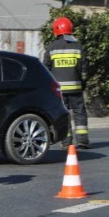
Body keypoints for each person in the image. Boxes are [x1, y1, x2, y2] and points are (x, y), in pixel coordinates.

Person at [43, 17, 90, 149]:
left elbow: (45, 69)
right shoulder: (78, 47)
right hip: (76, 89)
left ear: (56, 31)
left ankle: (66, 141)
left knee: (64, 115)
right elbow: (84, 70)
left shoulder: (51, 48)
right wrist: (83, 83)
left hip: (59, 91)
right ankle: (82, 140)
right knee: (79, 113)